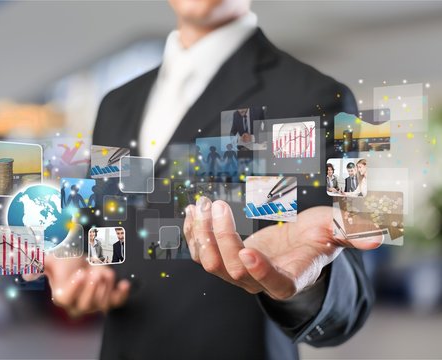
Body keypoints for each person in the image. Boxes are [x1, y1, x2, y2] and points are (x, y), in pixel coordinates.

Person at [28, 1, 377, 359]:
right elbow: (101, 238)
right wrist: (76, 270)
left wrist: (311, 285)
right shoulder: (115, 105)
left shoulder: (314, 99)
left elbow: (348, 298)